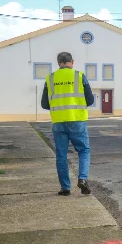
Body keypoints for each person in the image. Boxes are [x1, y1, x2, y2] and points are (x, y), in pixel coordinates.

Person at [41, 52, 94, 196]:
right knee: (83, 150)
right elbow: (90, 100)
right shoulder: (79, 76)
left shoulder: (50, 78)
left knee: (61, 155)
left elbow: (44, 104)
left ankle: (65, 188)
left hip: (58, 122)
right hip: (77, 120)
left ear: (58, 63)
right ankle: (82, 179)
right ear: (72, 61)